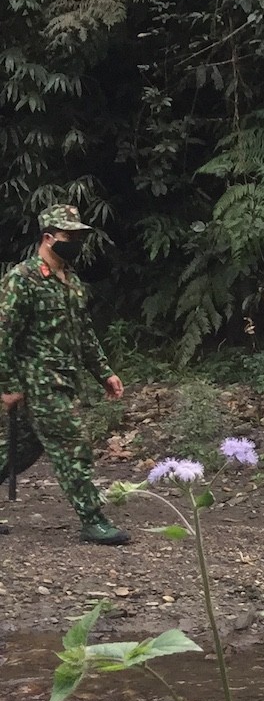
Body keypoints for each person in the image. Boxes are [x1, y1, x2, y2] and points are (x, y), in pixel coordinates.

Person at [0, 205, 130, 544]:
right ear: (48, 238)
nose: (74, 242)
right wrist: (9, 385)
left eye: (77, 236)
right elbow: (3, 336)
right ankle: (92, 519)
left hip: (65, 380)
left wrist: (105, 373)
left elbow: (84, 334)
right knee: (73, 445)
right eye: (68, 236)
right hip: (38, 383)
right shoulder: (23, 279)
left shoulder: (71, 281)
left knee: (19, 451)